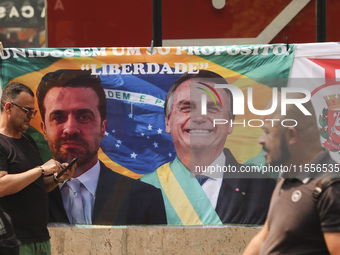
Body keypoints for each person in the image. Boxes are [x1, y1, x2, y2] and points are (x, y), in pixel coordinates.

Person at [141, 70, 276, 225]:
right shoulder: (143, 189)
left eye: (212, 108)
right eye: (187, 107)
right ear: (167, 122)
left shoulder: (266, 190)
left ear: (230, 123)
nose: (199, 118)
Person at [36, 69, 167, 225]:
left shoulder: (145, 198)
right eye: (58, 117)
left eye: (84, 116)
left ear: (103, 128)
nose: (70, 129)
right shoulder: (27, 196)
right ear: (44, 129)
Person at [242, 93, 340, 254]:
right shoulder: (287, 177)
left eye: (267, 132)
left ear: (291, 135)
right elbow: (264, 238)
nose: (260, 139)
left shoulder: (331, 187)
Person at [0, 82, 72, 255]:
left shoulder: (28, 142)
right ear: (9, 107)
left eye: (33, 111)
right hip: (14, 242)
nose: (31, 116)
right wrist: (41, 169)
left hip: (40, 239)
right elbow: (1, 186)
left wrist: (56, 178)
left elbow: (36, 185)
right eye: (27, 110)